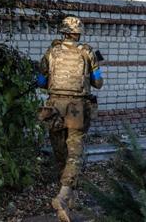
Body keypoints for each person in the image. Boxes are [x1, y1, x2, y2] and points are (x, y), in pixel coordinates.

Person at [37, 16, 103, 222]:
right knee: (75, 152)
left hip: (54, 107)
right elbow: (98, 82)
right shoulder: (87, 51)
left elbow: (40, 81)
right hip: (76, 107)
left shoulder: (50, 52)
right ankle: (63, 197)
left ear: (63, 32)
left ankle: (67, 199)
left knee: (60, 153)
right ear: (78, 32)